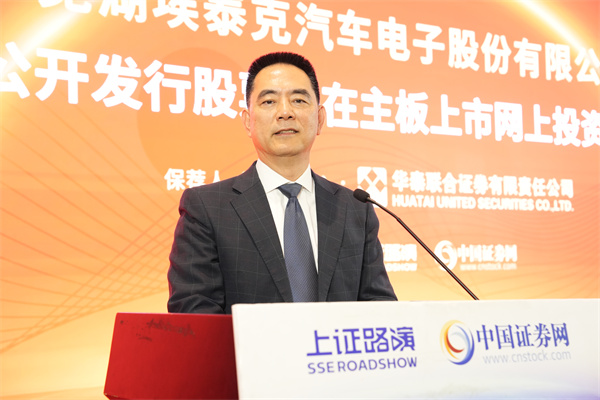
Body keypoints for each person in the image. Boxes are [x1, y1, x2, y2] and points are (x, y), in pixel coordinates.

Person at [167, 52, 397, 314]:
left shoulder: (355, 209)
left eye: (298, 100)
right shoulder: (207, 208)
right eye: (269, 101)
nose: (285, 112)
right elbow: (195, 313)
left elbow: (381, 309)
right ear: (248, 121)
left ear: (320, 119)